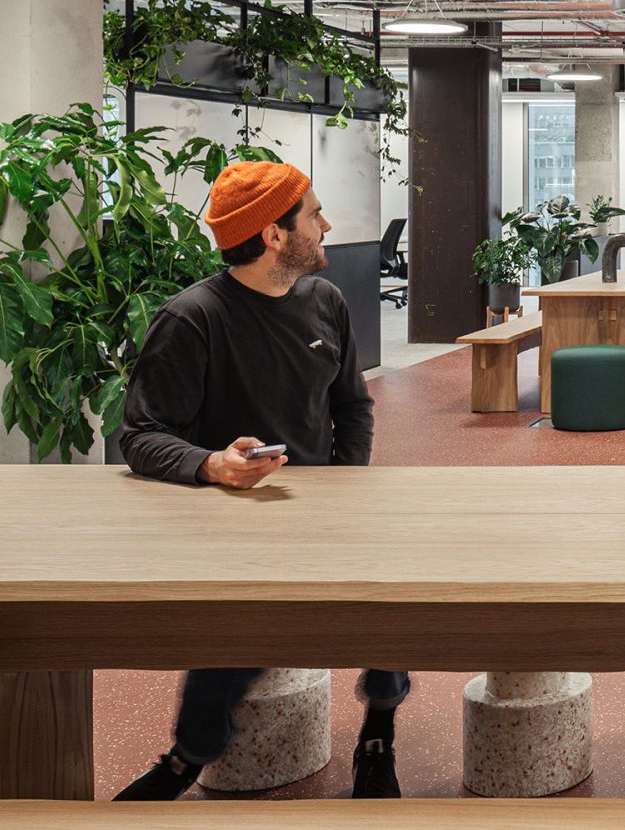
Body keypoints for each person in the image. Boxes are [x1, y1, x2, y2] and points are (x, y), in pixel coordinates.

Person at [112, 161, 402, 802]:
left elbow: (352, 407)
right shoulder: (191, 320)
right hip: (233, 521)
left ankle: (378, 731)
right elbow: (138, 435)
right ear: (273, 235)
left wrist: (346, 489)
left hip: (322, 507)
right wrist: (211, 464)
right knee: (237, 629)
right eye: (314, 215)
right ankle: (189, 757)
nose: (327, 225)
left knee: (395, 596)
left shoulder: (325, 302)